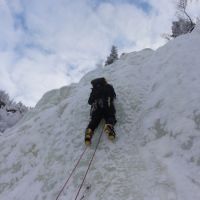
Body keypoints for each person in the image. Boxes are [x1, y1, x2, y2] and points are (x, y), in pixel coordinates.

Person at [85, 77, 117, 145]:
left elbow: (90, 101)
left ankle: (89, 131)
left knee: (94, 120)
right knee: (110, 116)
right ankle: (109, 126)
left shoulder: (94, 90)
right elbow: (112, 95)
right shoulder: (108, 86)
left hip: (96, 108)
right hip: (107, 105)